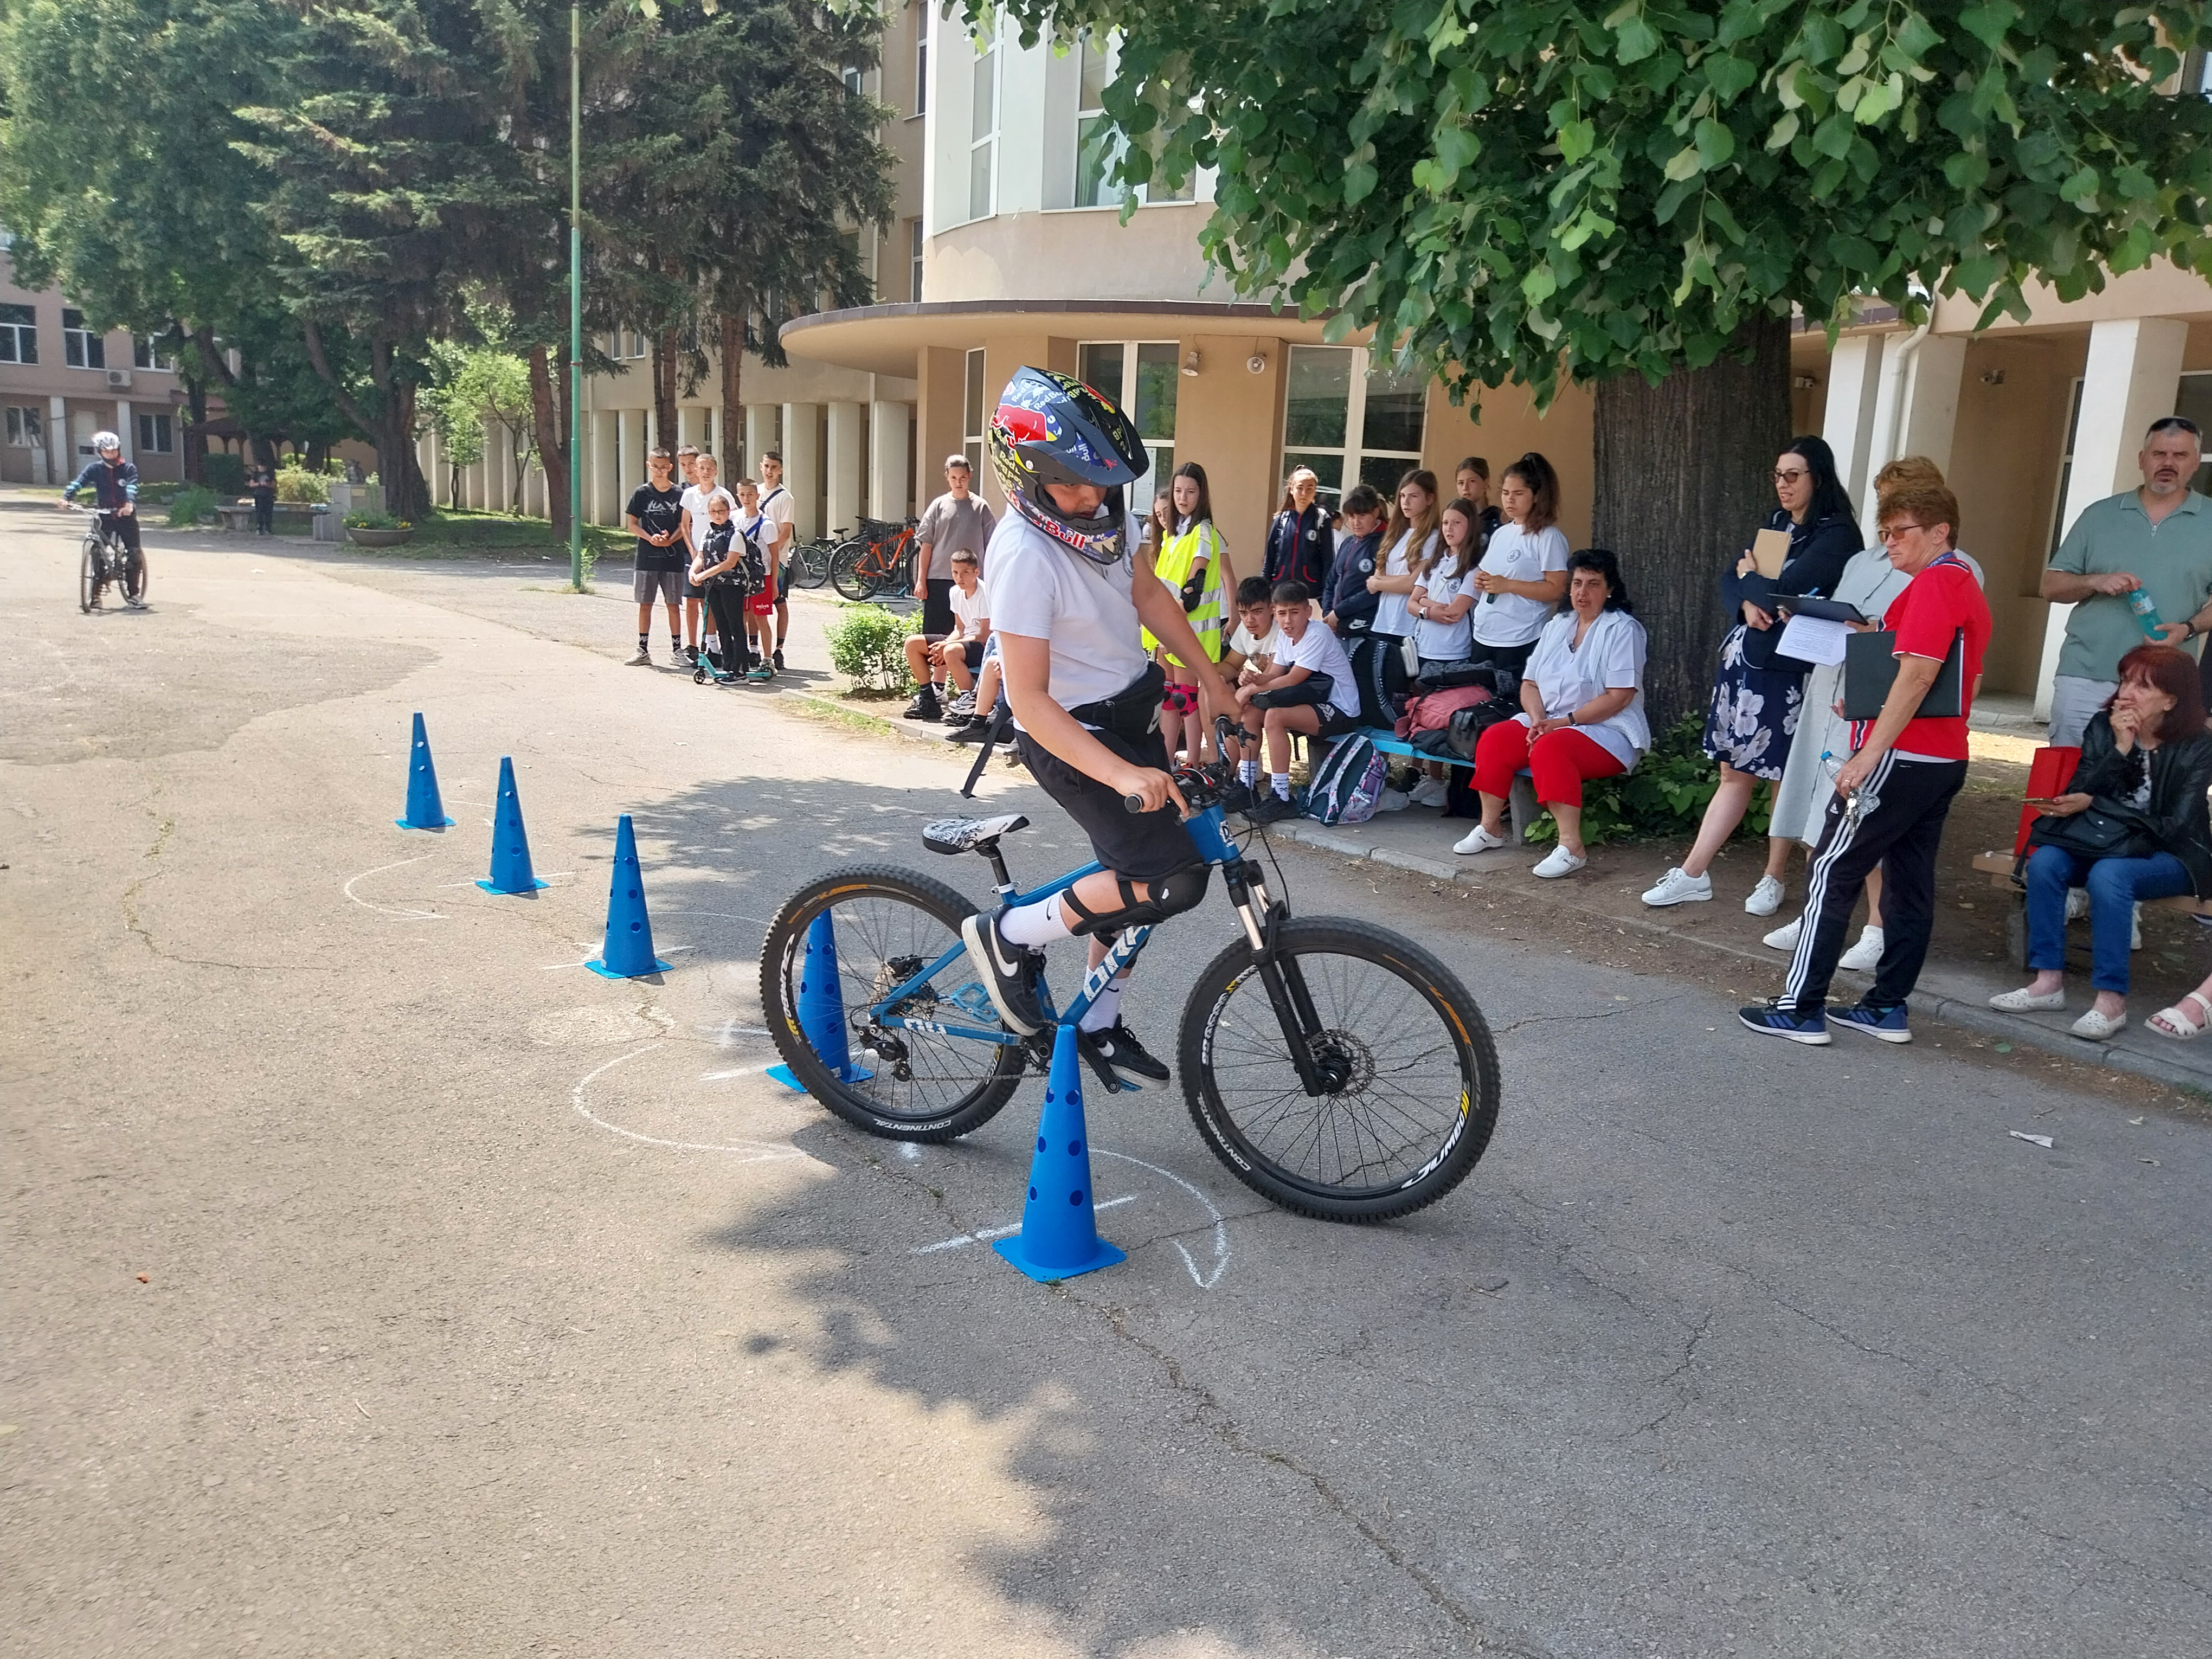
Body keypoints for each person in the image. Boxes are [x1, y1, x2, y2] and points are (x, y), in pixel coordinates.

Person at [959, 366, 1237, 1089]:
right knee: (1171, 878)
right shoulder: (1024, 555)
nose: (1093, 499)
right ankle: (1008, 935)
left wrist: (1211, 677)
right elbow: (1029, 702)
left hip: (1129, 713)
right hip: (1072, 738)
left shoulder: (1106, 516)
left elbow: (1148, 593)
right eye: (1075, 487)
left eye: (1103, 484)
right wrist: (1121, 773)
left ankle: (1097, 1023)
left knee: (1134, 879)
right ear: (1026, 477)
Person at [1740, 479, 1993, 1046]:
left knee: (1832, 868)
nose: (1890, 542)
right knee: (1909, 883)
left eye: (1901, 531)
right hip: (1940, 755)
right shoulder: (1959, 582)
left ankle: (1801, 1007)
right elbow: (1954, 677)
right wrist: (1869, 684)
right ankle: (1885, 1006)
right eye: (1884, 532)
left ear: (1940, 531)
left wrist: (1870, 749)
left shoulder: (1936, 583)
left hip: (1899, 756)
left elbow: (1919, 674)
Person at [1643, 435, 1861, 916]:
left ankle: (1773, 877)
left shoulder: (1837, 534)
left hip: (1792, 668)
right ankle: (1693, 873)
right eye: (1778, 475)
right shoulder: (1777, 524)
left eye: (1793, 475)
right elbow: (1731, 581)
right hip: (1745, 664)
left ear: (1818, 477)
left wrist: (1751, 581)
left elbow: (1786, 590)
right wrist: (1745, 599)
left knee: (1784, 772)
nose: (1782, 484)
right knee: (1733, 770)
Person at [1991, 645, 2212, 1039]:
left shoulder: (2199, 745)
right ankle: (2047, 983)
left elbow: (2175, 826)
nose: (2127, 693)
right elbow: (2080, 791)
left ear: (2171, 700)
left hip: (2174, 855)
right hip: (2104, 843)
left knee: (2110, 875)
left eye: (2143, 686)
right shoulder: (2103, 726)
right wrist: (2120, 749)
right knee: (2047, 862)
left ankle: (2111, 1002)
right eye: (2125, 681)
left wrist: (2100, 805)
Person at [1452, 549, 1648, 878]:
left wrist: (1562, 723)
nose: (1582, 593)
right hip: (1551, 721)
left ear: (1610, 589)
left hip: (1609, 729)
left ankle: (1572, 847)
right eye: (1577, 583)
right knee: (1496, 738)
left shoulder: (1623, 629)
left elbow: (1620, 696)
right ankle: (1490, 828)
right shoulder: (1558, 625)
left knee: (1551, 748)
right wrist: (1539, 719)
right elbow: (1530, 683)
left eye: (1593, 584)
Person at [2042, 415, 2212, 747]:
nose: (2168, 463)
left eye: (2180, 456)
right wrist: (2095, 581)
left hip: (2163, 688)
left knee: (2146, 778)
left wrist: (2188, 629)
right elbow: (2051, 586)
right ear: (2142, 459)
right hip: (2086, 675)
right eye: (2159, 454)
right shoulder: (2099, 515)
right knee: (2073, 771)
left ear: (2195, 463)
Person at [1234, 580, 1364, 825]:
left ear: (1308, 612)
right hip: (1312, 701)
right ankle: (1246, 785)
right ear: (1275, 612)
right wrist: (1252, 679)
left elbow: (1294, 679)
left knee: (1275, 716)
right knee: (1250, 713)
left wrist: (1251, 689)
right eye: (1282, 613)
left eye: (1294, 613)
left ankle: (1281, 796)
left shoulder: (1318, 633)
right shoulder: (1285, 636)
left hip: (1341, 709)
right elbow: (1274, 675)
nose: (1287, 621)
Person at [1142, 461, 1234, 764]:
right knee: (1169, 699)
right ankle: (1168, 762)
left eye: (1190, 492)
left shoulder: (1203, 532)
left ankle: (1196, 763)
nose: (1182, 498)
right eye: (1178, 491)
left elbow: (1193, 590)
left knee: (1187, 699)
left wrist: (1169, 627)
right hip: (1168, 630)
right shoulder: (1173, 534)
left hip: (1188, 630)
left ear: (1201, 494)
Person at [1404, 498, 1486, 806]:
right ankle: (1418, 770)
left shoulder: (1472, 569)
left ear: (1470, 527)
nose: (1450, 529)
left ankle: (1438, 778)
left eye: (1457, 523)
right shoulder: (1433, 564)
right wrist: (1429, 609)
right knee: (1420, 713)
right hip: (1424, 648)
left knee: (1441, 717)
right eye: (1446, 523)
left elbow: (1455, 612)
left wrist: (1427, 606)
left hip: (1452, 654)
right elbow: (1411, 604)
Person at [1465, 452, 1570, 678]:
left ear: (1536, 496)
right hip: (1485, 633)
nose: (1510, 500)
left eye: (1518, 493)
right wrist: (1481, 581)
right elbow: (1490, 575)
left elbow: (1558, 589)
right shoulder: (1501, 533)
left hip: (1520, 638)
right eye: (1505, 493)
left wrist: (1510, 585)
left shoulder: (1548, 537)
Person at [908, 455, 997, 713]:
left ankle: (963, 692)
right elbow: (926, 544)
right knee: (937, 631)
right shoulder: (938, 505)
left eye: (963, 478)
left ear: (970, 477)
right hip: (938, 578)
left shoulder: (980, 507)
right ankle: (937, 688)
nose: (959, 482)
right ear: (947, 477)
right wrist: (921, 580)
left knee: (959, 632)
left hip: (971, 581)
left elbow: (992, 544)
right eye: (954, 477)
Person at [904, 547, 990, 715]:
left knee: (951, 651)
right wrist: (944, 644)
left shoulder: (985, 594)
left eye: (965, 572)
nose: (960, 578)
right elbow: (960, 628)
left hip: (984, 646)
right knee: (912, 643)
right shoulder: (955, 591)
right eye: (955, 573)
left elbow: (984, 635)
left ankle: (969, 700)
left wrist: (947, 647)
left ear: (976, 572)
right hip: (964, 642)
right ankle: (928, 699)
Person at [60, 432, 142, 602]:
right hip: (103, 515)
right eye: (107, 451)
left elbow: (132, 488)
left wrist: (129, 505)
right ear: (99, 452)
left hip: (125, 515)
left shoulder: (128, 469)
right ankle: (96, 595)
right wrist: (66, 498)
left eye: (114, 451)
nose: (111, 454)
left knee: (134, 553)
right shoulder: (94, 469)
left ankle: (134, 595)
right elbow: (79, 482)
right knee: (97, 552)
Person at [624, 447, 687, 666]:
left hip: (673, 557)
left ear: (670, 467)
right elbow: (632, 524)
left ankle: (677, 650)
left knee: (673, 604)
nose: (660, 471)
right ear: (648, 466)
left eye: (663, 467)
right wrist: (650, 538)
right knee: (645, 603)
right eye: (655, 467)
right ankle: (642, 650)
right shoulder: (641, 493)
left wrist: (671, 540)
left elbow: (684, 525)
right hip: (646, 557)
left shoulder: (680, 494)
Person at [680, 454, 738, 668]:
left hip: (718, 557)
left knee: (713, 602)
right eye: (702, 468)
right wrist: (693, 551)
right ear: (695, 470)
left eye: (710, 468)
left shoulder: (724, 495)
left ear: (716, 471)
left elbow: (733, 523)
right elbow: (685, 525)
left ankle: (714, 647)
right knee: (692, 600)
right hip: (697, 556)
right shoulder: (689, 495)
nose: (705, 472)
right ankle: (693, 646)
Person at [1320, 484, 1386, 633]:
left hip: (1365, 627)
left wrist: (1338, 612)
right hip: (1337, 624)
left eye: (1362, 516)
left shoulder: (1385, 544)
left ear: (1376, 512)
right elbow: (1331, 581)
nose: (1356, 522)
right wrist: (1328, 613)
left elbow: (1375, 592)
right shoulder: (1348, 542)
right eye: (1351, 517)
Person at [757, 450, 797, 672]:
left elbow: (785, 531)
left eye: (774, 467)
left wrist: (772, 555)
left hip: (777, 560)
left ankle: (779, 649)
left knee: (779, 602)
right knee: (755, 605)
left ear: (780, 470)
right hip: (755, 560)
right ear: (761, 467)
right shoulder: (755, 492)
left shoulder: (785, 497)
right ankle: (754, 648)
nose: (769, 471)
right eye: (766, 466)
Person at [1263, 466, 1333, 589]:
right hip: (1281, 589)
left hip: (1310, 591)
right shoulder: (1281, 520)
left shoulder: (1321, 519)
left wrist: (1327, 592)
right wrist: (1264, 587)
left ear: (1315, 492)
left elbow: (1328, 560)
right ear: (1292, 490)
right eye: (1300, 488)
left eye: (1310, 489)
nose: (1304, 494)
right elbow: (1269, 558)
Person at [1452, 456, 1504, 548]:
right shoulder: (1453, 520)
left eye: (1472, 481)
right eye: (1461, 483)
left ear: (1486, 483)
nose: (1465, 488)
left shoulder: (1498, 520)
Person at [247, 466, 276, 537]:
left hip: (268, 496)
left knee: (268, 512)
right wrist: (260, 484)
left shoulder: (270, 474)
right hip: (259, 495)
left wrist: (267, 485)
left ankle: (268, 528)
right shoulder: (255, 474)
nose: (262, 467)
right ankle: (259, 528)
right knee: (259, 512)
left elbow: (274, 485)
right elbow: (251, 485)